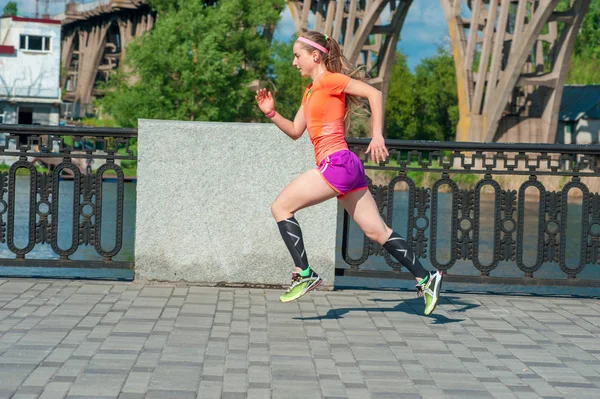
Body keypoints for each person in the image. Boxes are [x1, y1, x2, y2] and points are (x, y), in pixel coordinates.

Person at [255, 31, 443, 315]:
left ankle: (304, 273)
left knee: (280, 207)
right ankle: (426, 277)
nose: (294, 63)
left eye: (297, 56)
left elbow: (374, 93)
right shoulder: (310, 92)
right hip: (346, 167)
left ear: (315, 56)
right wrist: (270, 113)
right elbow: (295, 131)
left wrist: (377, 136)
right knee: (376, 230)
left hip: (337, 163)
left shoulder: (330, 80)